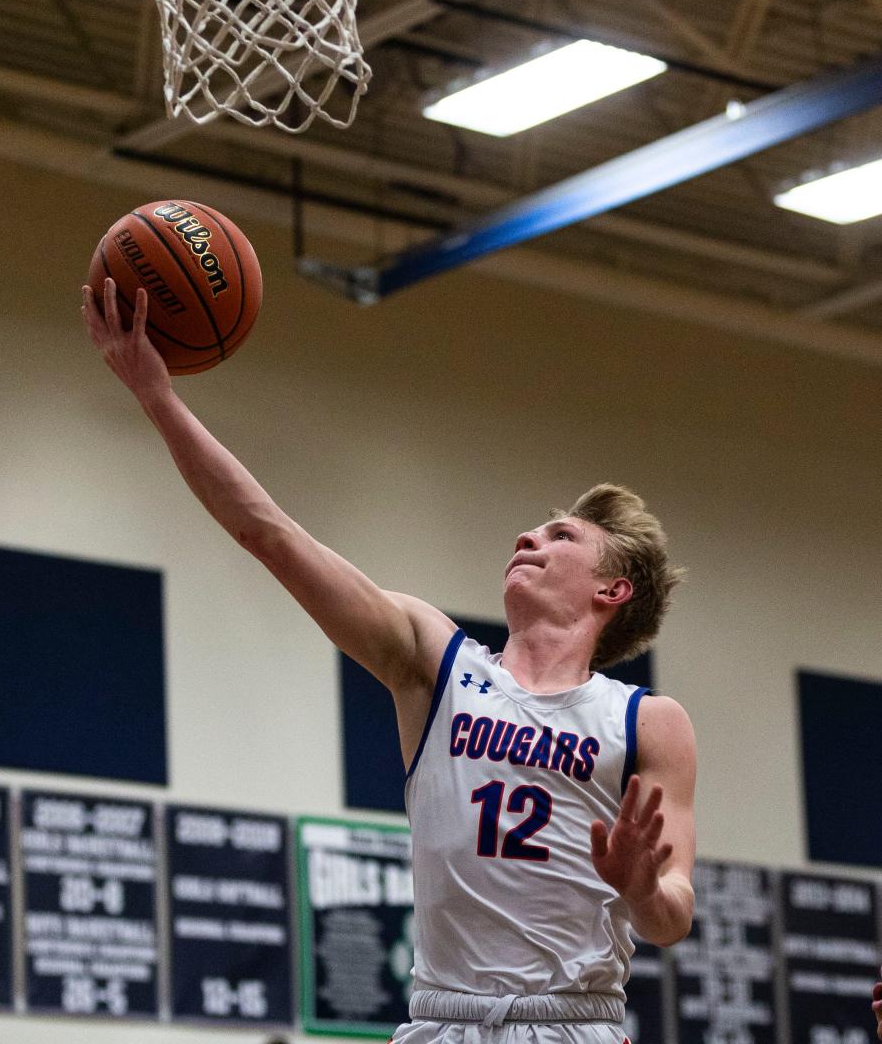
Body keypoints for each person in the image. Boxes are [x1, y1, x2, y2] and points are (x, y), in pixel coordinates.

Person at [83, 280, 697, 1044]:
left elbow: (673, 913)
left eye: (560, 537)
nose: (527, 539)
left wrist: (641, 889)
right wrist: (158, 398)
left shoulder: (647, 721)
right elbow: (268, 533)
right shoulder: (434, 661)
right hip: (444, 1020)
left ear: (613, 588)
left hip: (572, 1023)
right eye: (530, 532)